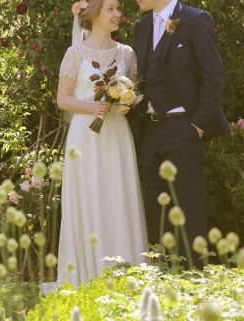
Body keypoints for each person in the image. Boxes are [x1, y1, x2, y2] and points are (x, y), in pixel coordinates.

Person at [42, 0, 148, 292]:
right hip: (85, 136)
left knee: (118, 195)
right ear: (94, 14)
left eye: (118, 9)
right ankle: (87, 273)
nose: (118, 15)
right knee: (89, 195)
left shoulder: (127, 53)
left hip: (117, 136)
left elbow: (134, 94)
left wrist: (124, 101)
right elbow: (62, 99)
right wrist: (95, 107)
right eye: (111, 9)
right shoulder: (75, 54)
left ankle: (126, 273)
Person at [132, 0, 229, 248]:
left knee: (188, 210)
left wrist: (197, 126)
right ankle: (164, 275)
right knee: (157, 211)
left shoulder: (196, 20)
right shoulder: (141, 26)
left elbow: (214, 75)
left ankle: (193, 278)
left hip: (184, 128)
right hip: (150, 130)